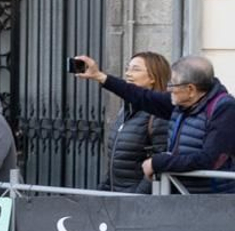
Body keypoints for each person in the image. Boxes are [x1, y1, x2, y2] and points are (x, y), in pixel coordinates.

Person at [73, 52, 235, 193]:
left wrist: (157, 162)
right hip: (181, 196)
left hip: (213, 202)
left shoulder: (224, 109)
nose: (168, 89)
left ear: (191, 89)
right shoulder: (181, 102)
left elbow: (209, 159)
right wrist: (99, 76)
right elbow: (141, 96)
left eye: (172, 84)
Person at [89, 51, 171, 194]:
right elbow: (116, 162)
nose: (128, 73)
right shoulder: (125, 111)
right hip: (116, 198)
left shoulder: (158, 116)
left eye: (136, 69)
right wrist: (103, 191)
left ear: (153, 76)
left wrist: (136, 196)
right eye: (128, 68)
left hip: (138, 204)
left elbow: (160, 163)